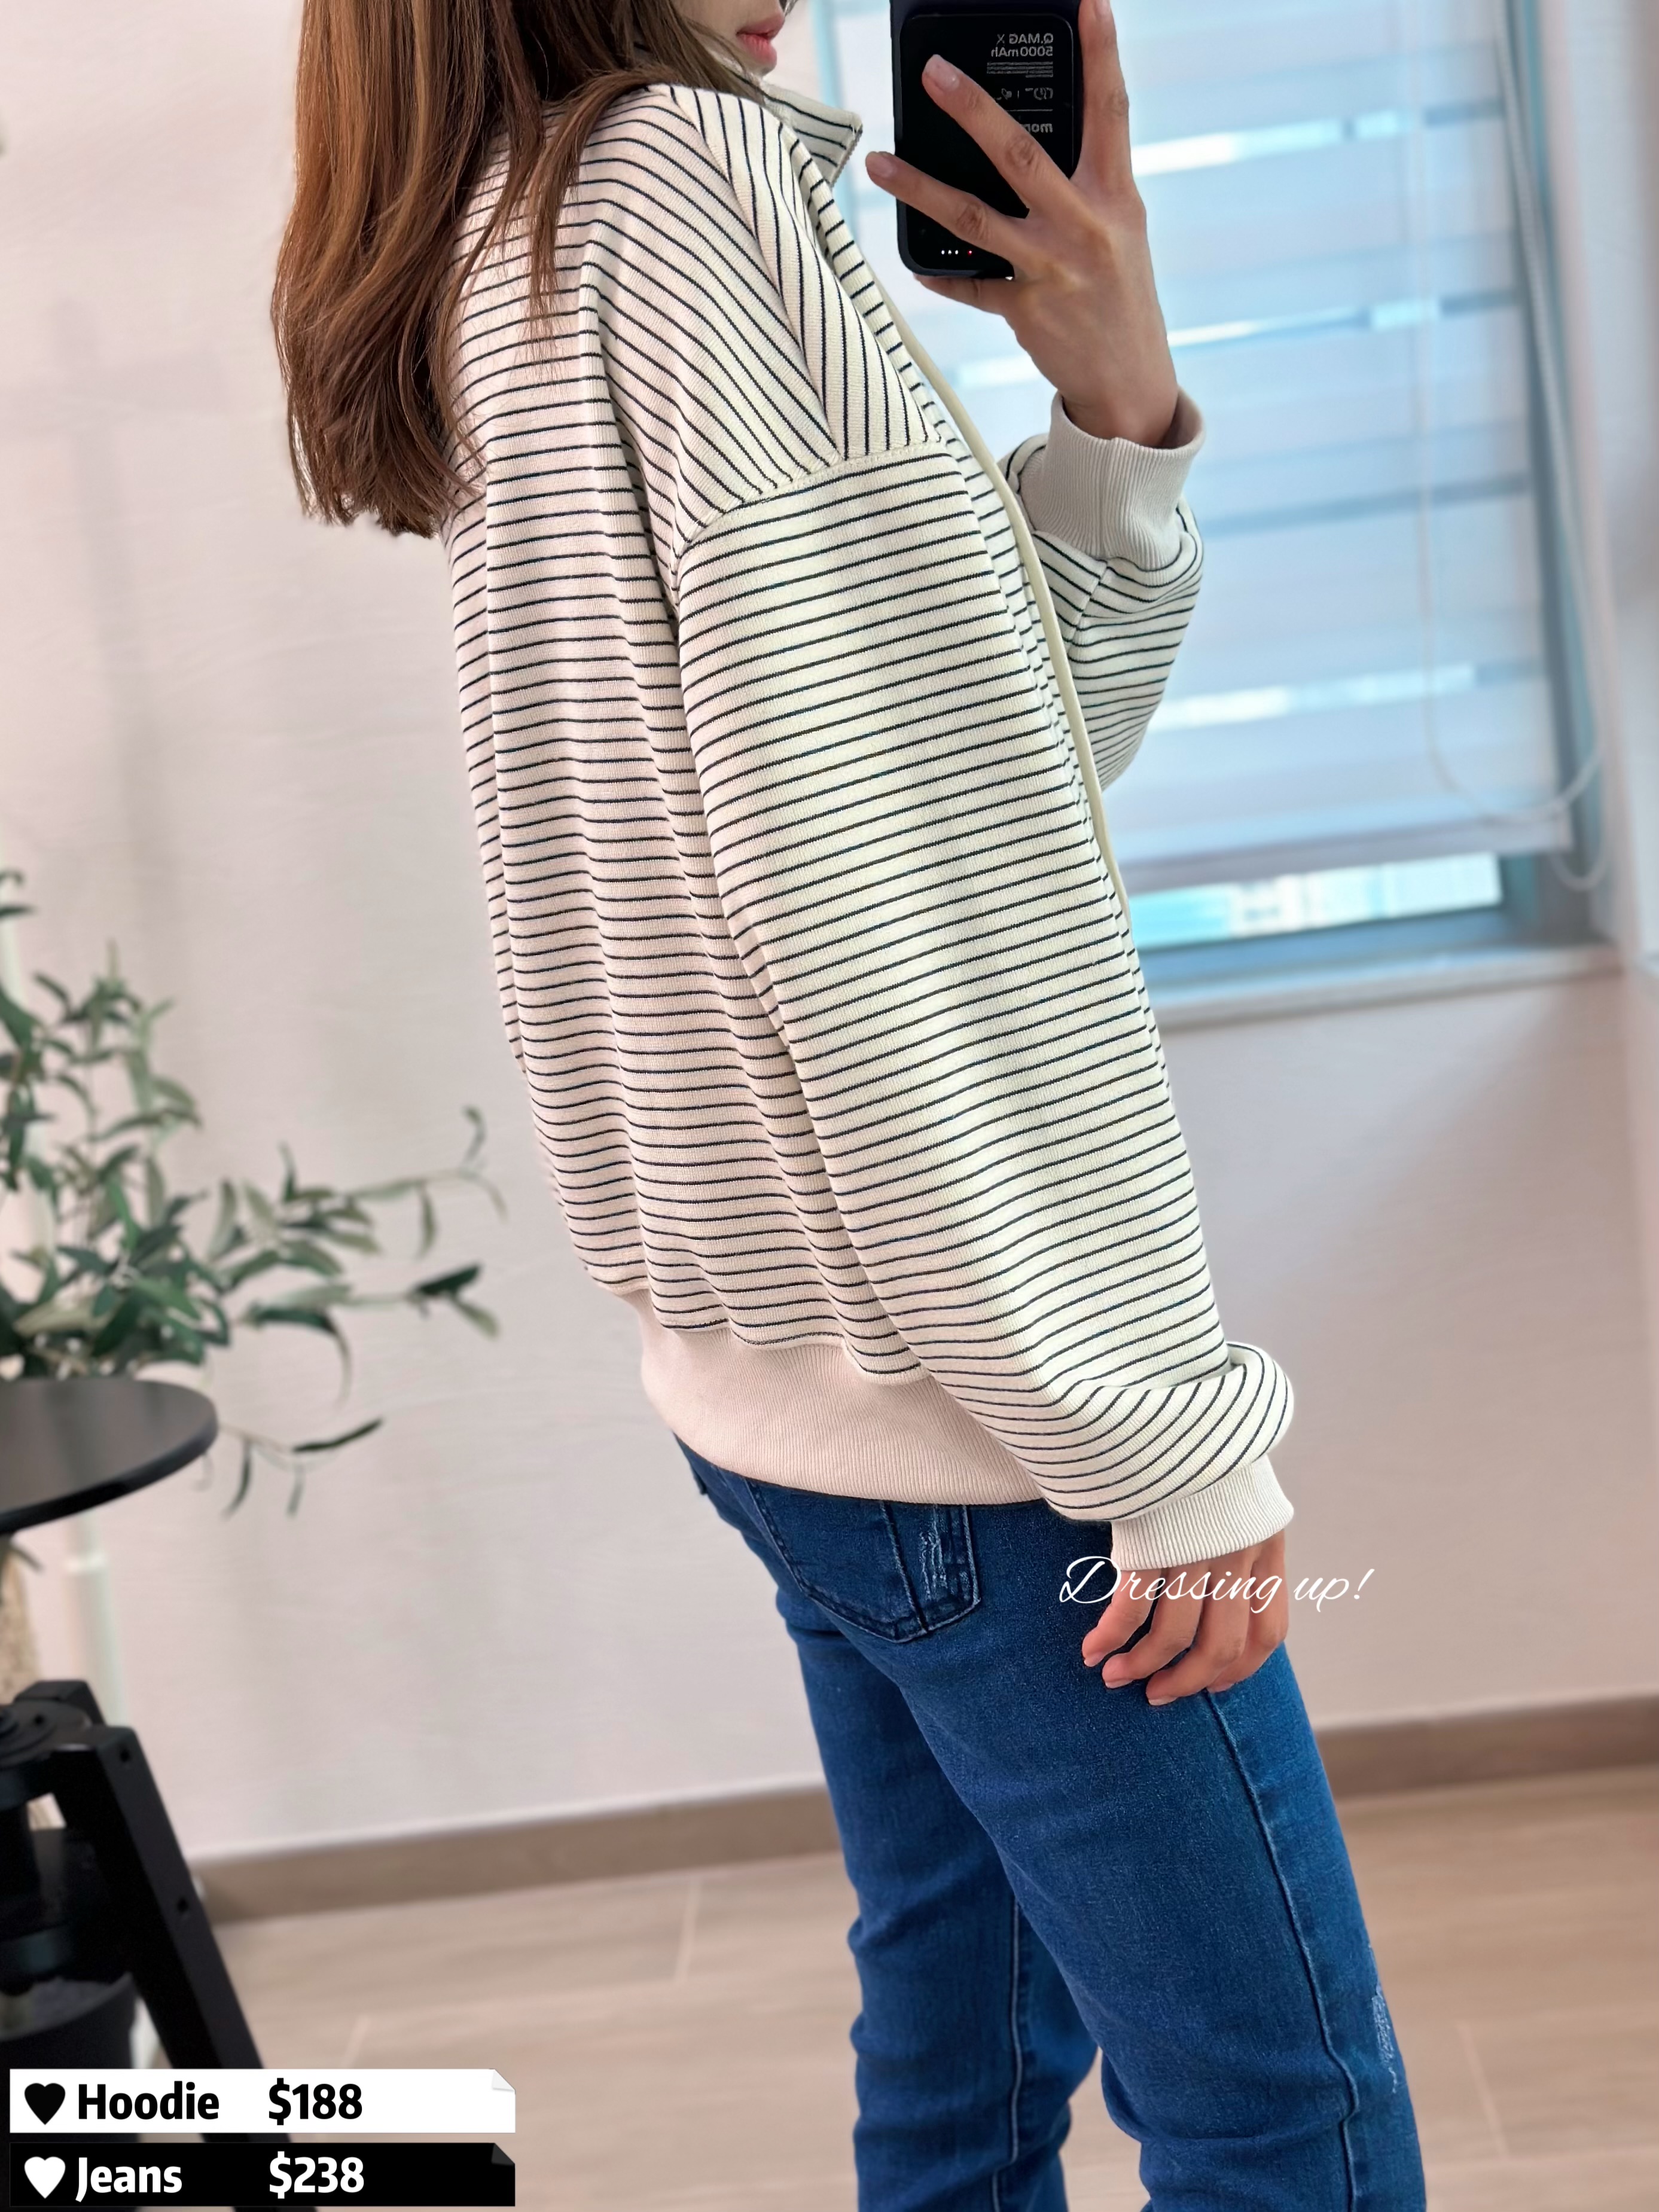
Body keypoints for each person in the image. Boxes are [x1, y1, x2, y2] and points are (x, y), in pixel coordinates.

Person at [273, 0, 1426, 2201]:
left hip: (791, 1397)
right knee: (1293, 2118)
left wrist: (1115, 415)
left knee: (964, 2060)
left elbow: (964, 792)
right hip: (979, 1431)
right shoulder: (689, 186)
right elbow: (914, 915)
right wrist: (1157, 1431)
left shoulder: (515, 221)